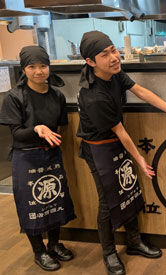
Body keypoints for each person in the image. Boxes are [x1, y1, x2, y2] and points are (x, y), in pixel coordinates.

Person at [76, 31, 166, 275]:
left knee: (128, 190)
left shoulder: (114, 73)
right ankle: (109, 252)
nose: (113, 57)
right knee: (107, 202)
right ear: (90, 62)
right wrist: (140, 159)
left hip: (116, 143)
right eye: (105, 54)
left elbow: (141, 90)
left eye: (113, 50)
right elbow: (120, 131)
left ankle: (133, 242)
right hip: (98, 149)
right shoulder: (94, 96)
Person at [0, 46, 76, 271]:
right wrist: (37, 129)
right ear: (24, 69)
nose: (38, 71)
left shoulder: (57, 95)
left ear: (49, 67)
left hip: (50, 155)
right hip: (26, 158)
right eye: (32, 67)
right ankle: (39, 251)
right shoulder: (15, 97)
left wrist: (50, 137)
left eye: (43, 66)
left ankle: (53, 245)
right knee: (31, 204)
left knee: (54, 201)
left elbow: (60, 127)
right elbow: (16, 133)